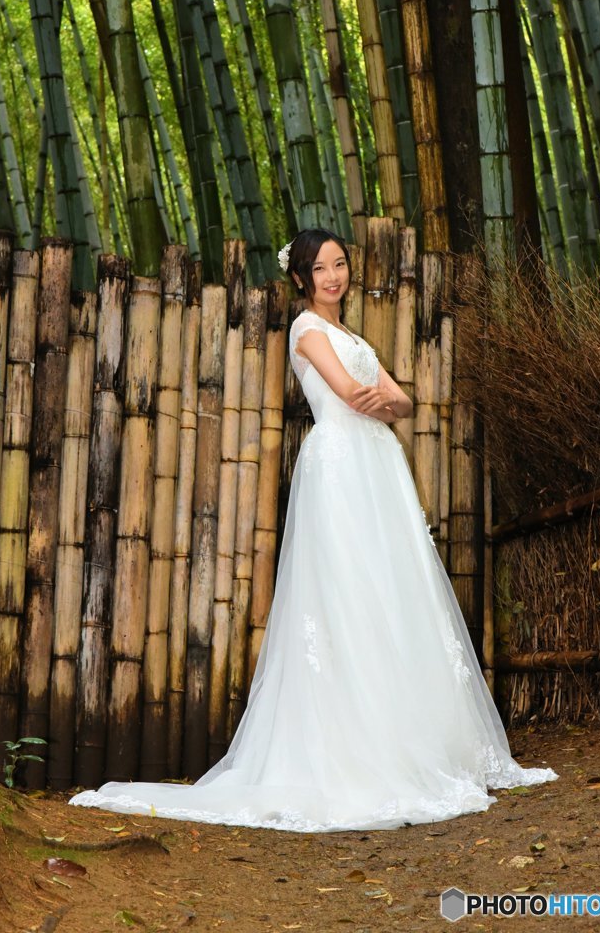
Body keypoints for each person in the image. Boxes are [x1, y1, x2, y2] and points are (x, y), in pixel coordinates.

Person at [69, 228, 558, 832]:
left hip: (378, 465)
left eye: (340, 265)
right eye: (321, 268)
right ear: (300, 278)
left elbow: (400, 402)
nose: (334, 276)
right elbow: (354, 394)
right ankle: (353, 751)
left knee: (391, 591)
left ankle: (413, 737)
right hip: (340, 467)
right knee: (346, 591)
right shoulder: (306, 329)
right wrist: (374, 399)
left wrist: (382, 401)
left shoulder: (353, 335)